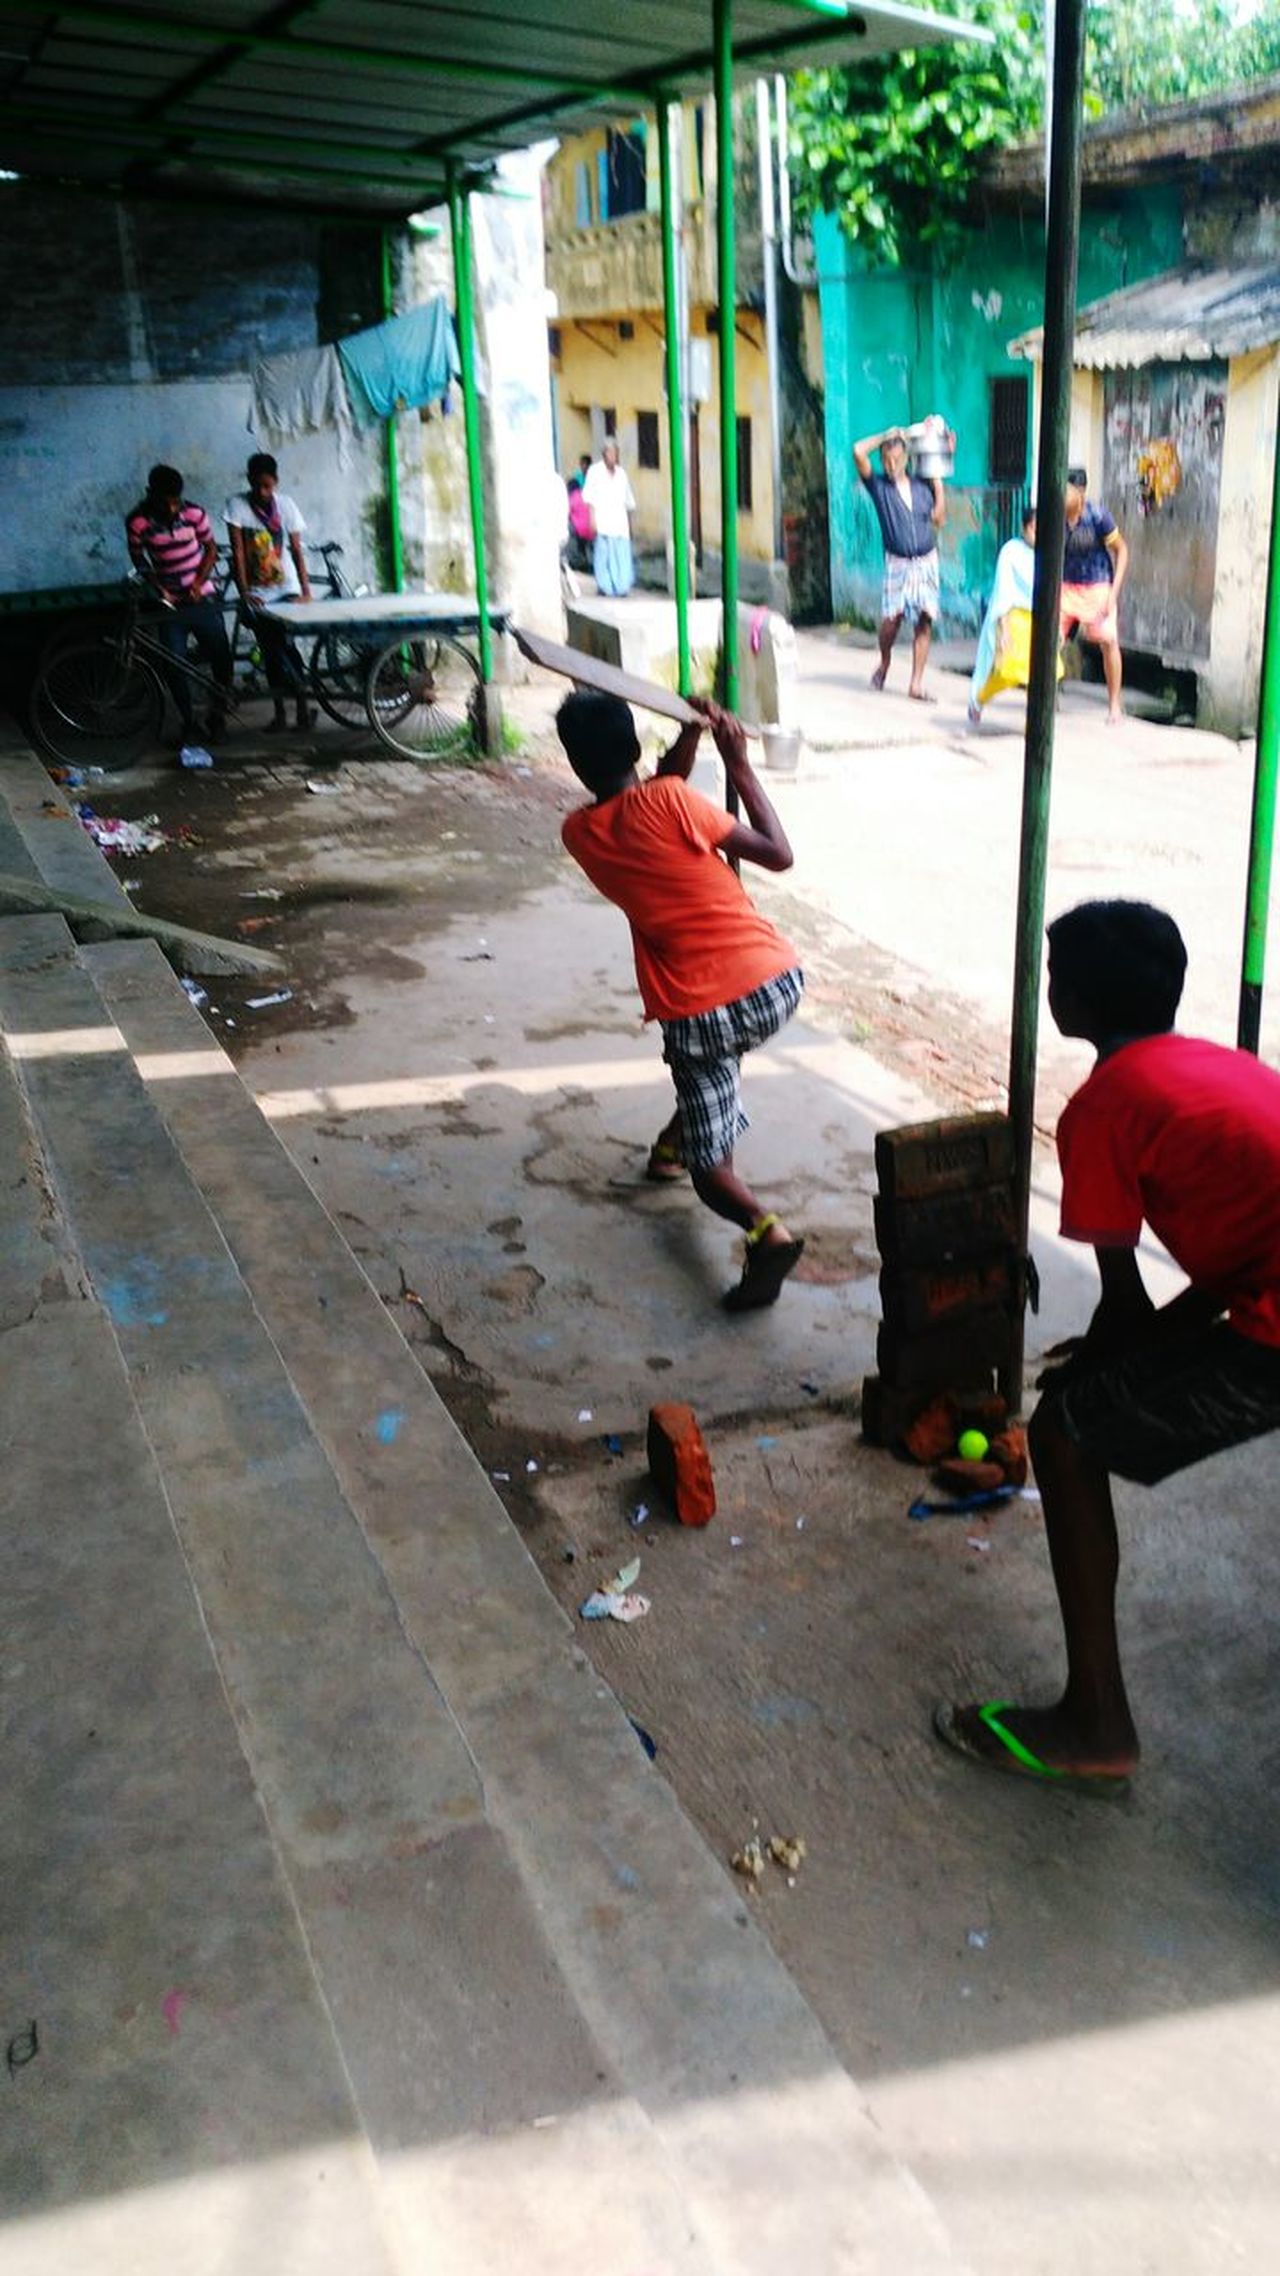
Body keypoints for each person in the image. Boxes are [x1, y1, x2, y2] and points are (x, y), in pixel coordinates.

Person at [935, 900, 1280, 1793]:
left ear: (1073, 1003)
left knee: (1065, 1433)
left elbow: (1121, 1306)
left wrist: (1104, 1359)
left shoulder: (1102, 1109)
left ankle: (1095, 1723)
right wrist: (1143, 1344)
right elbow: (1244, 1246)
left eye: (1054, 980)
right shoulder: (1218, 1066)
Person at [558, 690, 806, 1312]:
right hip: (775, 982)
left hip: (701, 1009)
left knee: (712, 1170)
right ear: (636, 749)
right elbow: (777, 853)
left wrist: (692, 739)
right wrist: (740, 765)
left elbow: (648, 799)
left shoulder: (580, 833)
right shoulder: (670, 800)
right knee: (711, 1070)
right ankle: (674, 1144)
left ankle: (764, 1229)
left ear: (574, 764)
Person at [125, 464, 232, 756]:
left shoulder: (194, 513)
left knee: (221, 654)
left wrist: (199, 582)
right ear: (151, 495)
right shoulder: (137, 522)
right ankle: (189, 722)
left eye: (176, 500)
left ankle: (217, 716)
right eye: (165, 501)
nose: (172, 508)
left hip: (202, 596)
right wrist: (157, 587)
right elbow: (140, 560)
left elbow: (210, 549)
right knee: (173, 663)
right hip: (169, 602)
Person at [853, 426, 945, 701]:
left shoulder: (922, 485)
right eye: (886, 460)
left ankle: (916, 683)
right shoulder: (878, 486)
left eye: (896, 459)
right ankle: (884, 662)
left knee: (925, 620)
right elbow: (858, 450)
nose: (891, 465)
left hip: (926, 560)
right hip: (898, 563)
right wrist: (884, 436)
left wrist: (940, 491)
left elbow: (939, 518)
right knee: (892, 621)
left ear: (906, 458)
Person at [225, 452, 314, 733]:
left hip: (286, 587)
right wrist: (243, 592)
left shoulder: (286, 505)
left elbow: (297, 550)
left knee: (285, 647)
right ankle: (280, 713)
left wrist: (305, 590)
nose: (262, 492)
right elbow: (238, 553)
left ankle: (301, 708)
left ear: (275, 482)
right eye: (257, 485)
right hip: (257, 593)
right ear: (249, 481)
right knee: (271, 651)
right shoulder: (236, 506)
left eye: (267, 485)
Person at [966, 506, 1061, 728]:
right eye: (1033, 528)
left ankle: (1038, 721)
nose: (1037, 534)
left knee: (1048, 672)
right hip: (1014, 617)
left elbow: (1054, 592)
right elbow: (1003, 592)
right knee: (1006, 672)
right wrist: (1004, 629)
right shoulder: (1011, 552)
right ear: (1024, 528)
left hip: (1039, 619)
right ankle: (978, 700)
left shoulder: (1049, 554)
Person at [1061, 466, 1128, 726]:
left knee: (1108, 642)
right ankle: (1046, 698)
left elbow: (1122, 551)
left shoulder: (1099, 517)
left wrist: (1113, 592)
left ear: (1080, 493)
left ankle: (1114, 705)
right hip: (1067, 586)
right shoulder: (1057, 516)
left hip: (1097, 584)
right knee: (1050, 642)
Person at [582, 438, 637, 598]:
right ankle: (605, 587)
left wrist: (631, 525)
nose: (612, 456)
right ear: (604, 454)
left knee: (621, 555)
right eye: (609, 453)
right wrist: (592, 519)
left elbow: (628, 501)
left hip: (620, 522)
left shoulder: (621, 474)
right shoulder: (595, 471)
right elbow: (589, 498)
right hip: (603, 521)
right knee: (604, 556)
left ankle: (621, 587)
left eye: (615, 453)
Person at [566, 451, 594, 572]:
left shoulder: (593, 477)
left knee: (571, 531)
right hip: (587, 522)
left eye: (584, 464)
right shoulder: (578, 477)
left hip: (582, 526)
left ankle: (576, 560)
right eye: (581, 464)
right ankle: (587, 561)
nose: (582, 467)